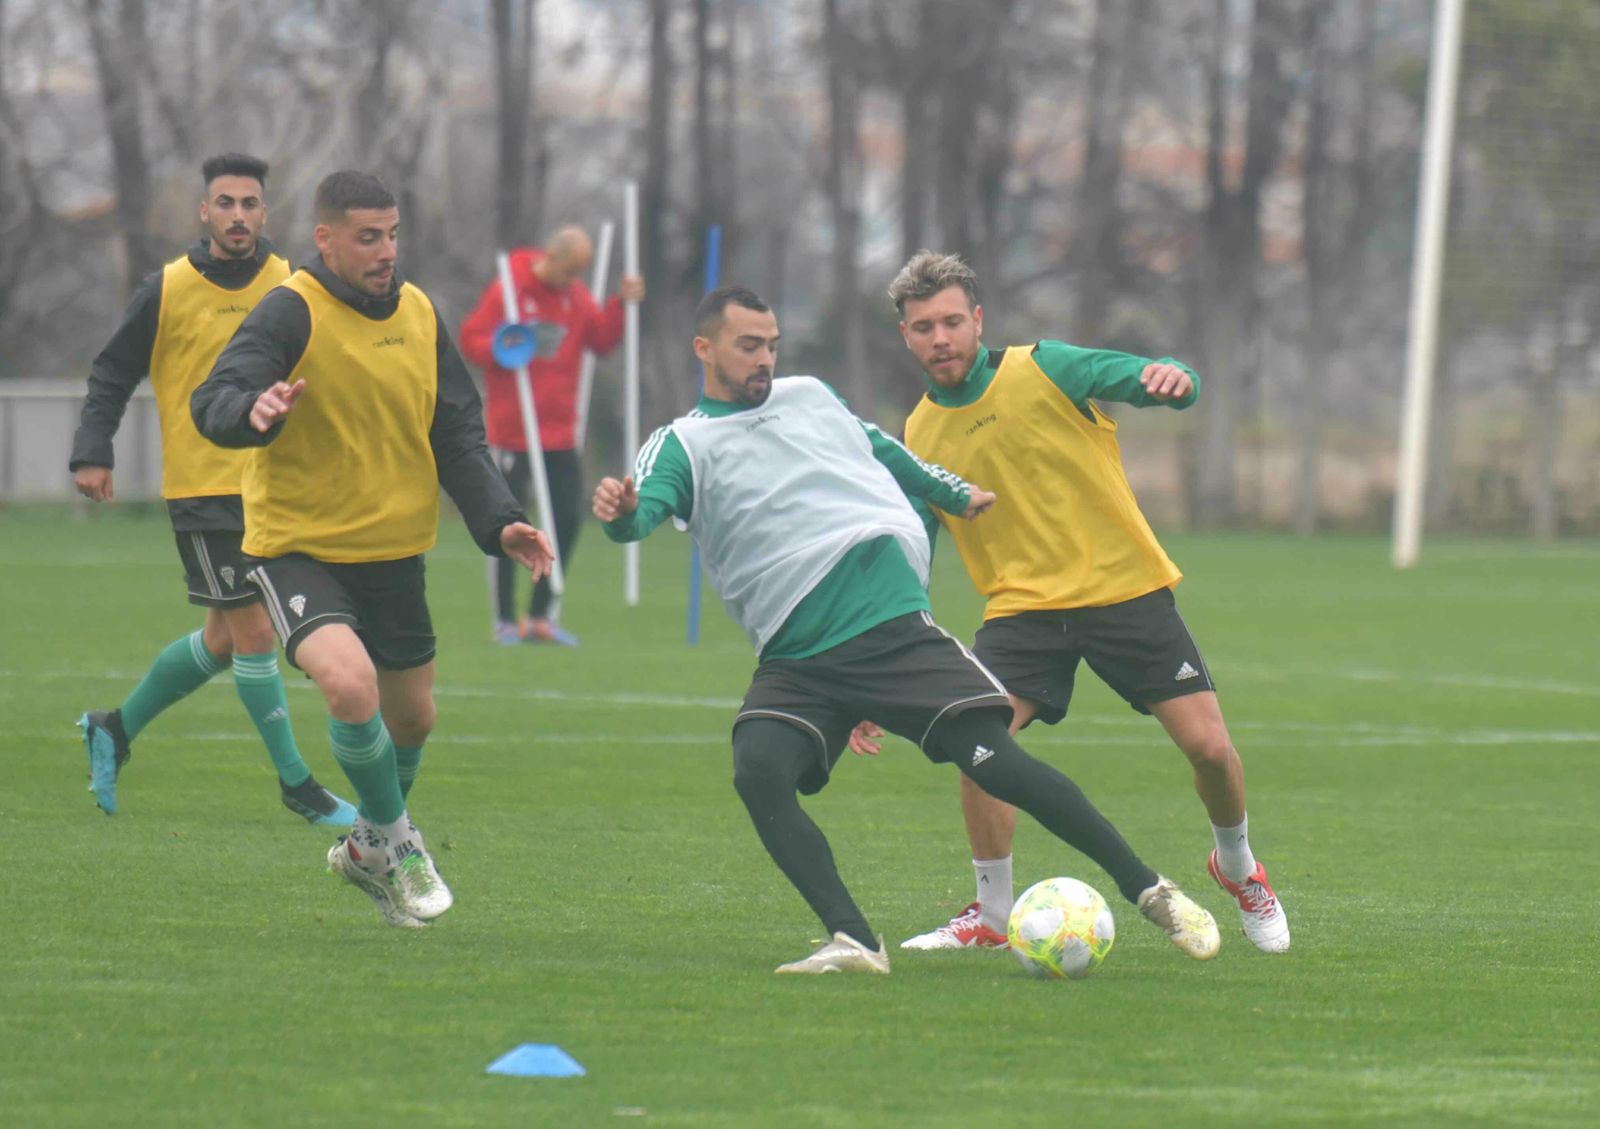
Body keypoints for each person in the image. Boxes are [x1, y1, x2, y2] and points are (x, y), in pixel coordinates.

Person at [592, 284, 1219, 974]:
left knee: (996, 762)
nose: (765, 359)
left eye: (772, 344)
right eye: (749, 346)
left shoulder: (807, 397)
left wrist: (954, 493)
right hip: (795, 652)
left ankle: (1150, 890)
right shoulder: (683, 443)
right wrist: (620, 511)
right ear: (704, 349)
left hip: (882, 618)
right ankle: (856, 940)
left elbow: (883, 450)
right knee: (760, 770)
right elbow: (640, 514)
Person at [869, 250, 1289, 954]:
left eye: (950, 321)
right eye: (921, 327)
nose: (939, 338)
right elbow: (916, 546)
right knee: (980, 741)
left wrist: (1174, 381)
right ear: (905, 336)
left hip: (1123, 589)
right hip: (1021, 611)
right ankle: (992, 914)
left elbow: (1151, 380)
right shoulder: (918, 431)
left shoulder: (1046, 367)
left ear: (978, 320)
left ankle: (1239, 867)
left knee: (1210, 750)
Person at [191, 171, 554, 927]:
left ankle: (364, 852)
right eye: (367, 236)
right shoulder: (292, 311)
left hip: (393, 553)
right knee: (349, 687)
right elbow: (213, 399)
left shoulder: (418, 312)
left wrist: (499, 521)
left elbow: (455, 430)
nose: (386, 250)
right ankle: (401, 844)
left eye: (392, 234)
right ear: (324, 239)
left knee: (413, 720)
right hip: (297, 548)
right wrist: (251, 411)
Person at [69, 152, 354, 826]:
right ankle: (298, 785)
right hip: (205, 489)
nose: (237, 215)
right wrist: (92, 450)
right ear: (205, 211)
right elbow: (112, 371)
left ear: (265, 211)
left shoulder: (293, 284)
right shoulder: (166, 288)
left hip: (278, 489)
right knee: (254, 633)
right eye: (224, 203)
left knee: (225, 641)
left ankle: (112, 728)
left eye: (249, 203)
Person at [458, 225, 646, 646]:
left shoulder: (575, 297)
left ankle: (541, 615)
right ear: (551, 257)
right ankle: (505, 619)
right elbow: (471, 339)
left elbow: (600, 340)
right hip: (514, 429)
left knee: (567, 518)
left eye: (579, 273)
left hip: (559, 432)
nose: (571, 280)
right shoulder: (510, 287)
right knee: (508, 523)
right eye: (568, 270)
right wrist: (504, 345)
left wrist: (621, 305)